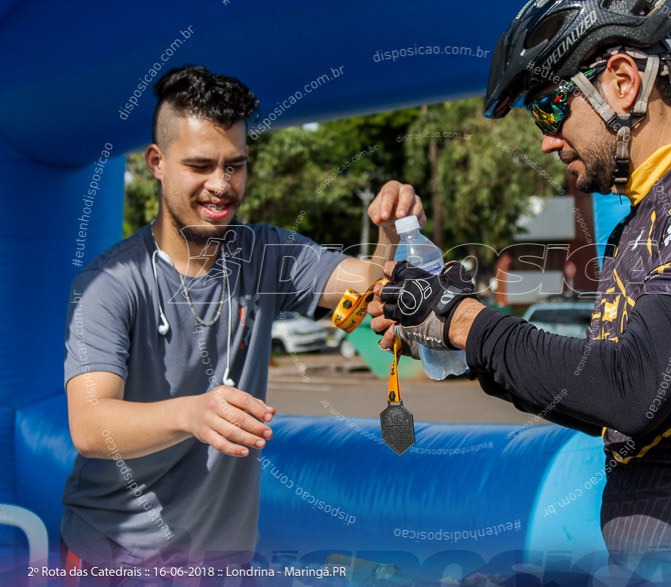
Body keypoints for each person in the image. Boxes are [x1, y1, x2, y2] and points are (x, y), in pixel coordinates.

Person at [374, 0, 671, 576]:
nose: (546, 141)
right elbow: (594, 390)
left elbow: (631, 388)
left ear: (622, 81)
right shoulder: (635, 229)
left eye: (551, 109)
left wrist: (465, 321)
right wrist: (452, 335)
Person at [63, 65, 423, 572]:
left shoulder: (265, 252)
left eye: (235, 165)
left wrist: (390, 229)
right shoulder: (110, 283)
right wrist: (192, 414)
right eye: (201, 165)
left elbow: (368, 288)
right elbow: (89, 424)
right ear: (156, 162)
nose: (222, 185)